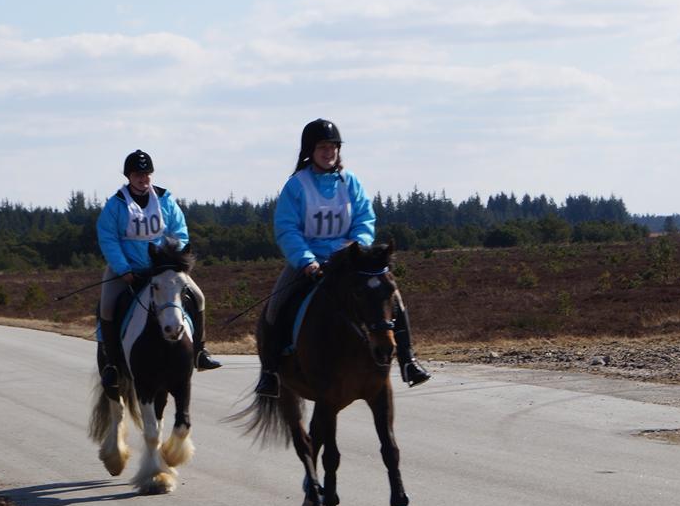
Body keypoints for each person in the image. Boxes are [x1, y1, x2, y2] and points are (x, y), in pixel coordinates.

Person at [254, 118, 430, 397]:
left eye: (333, 147)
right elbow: (287, 229)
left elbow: (364, 219)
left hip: (349, 262)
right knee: (276, 307)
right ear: (310, 150)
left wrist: (356, 248)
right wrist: (307, 261)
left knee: (391, 296)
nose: (329, 152)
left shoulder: (351, 183)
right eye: (323, 147)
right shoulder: (296, 186)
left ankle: (408, 361)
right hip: (310, 262)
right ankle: (271, 372)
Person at [96, 149, 221, 391]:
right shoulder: (116, 205)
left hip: (164, 270)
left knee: (198, 297)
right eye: (137, 175)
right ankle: (111, 364)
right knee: (107, 307)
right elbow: (108, 239)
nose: (143, 179)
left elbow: (179, 231)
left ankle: (200, 351)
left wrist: (174, 261)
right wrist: (123, 269)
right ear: (128, 177)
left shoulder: (165, 200)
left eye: (146, 174)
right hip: (128, 270)